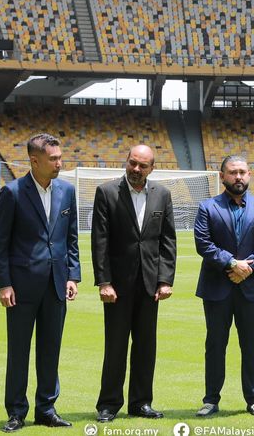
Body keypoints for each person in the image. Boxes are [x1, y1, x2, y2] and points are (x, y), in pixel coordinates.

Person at [0, 133, 80, 432]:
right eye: (54, 159)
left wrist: (73, 275)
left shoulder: (67, 191)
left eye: (60, 157)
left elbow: (71, 239)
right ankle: (16, 411)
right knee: (18, 350)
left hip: (56, 283)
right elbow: (1, 242)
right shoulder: (13, 192)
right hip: (21, 287)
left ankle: (46, 408)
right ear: (34, 160)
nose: (60, 163)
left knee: (50, 349)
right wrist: (4, 284)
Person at [90, 144, 177, 422]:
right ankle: (108, 404)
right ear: (126, 162)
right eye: (132, 163)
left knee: (145, 346)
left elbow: (167, 240)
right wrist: (104, 281)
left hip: (150, 284)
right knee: (115, 345)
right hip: (117, 285)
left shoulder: (162, 195)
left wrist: (165, 279)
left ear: (152, 168)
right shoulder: (106, 192)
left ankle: (141, 402)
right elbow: (99, 240)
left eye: (142, 165)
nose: (136, 169)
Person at [193, 155, 254, 417]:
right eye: (232, 172)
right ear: (222, 176)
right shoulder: (207, 207)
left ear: (249, 175)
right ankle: (211, 400)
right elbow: (203, 243)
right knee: (215, 345)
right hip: (217, 288)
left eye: (242, 172)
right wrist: (232, 264)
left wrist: (247, 269)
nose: (238, 177)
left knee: (251, 344)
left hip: (250, 288)